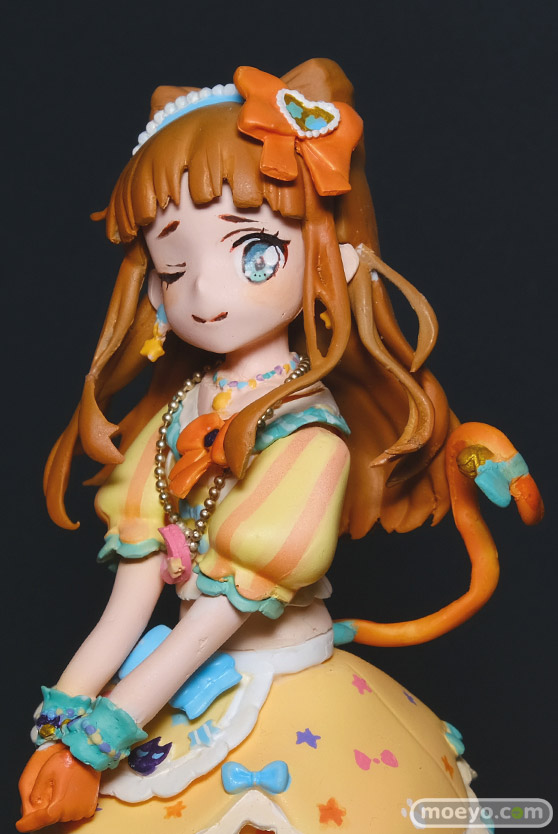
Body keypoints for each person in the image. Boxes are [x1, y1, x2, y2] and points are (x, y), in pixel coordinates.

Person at [17, 59, 542, 834]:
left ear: (336, 257)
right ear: (155, 288)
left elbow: (212, 620)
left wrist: (97, 743)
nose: (204, 290)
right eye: (175, 264)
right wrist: (57, 726)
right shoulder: (169, 420)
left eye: (255, 251)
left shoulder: (309, 439)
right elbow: (126, 610)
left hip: (273, 678)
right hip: (169, 685)